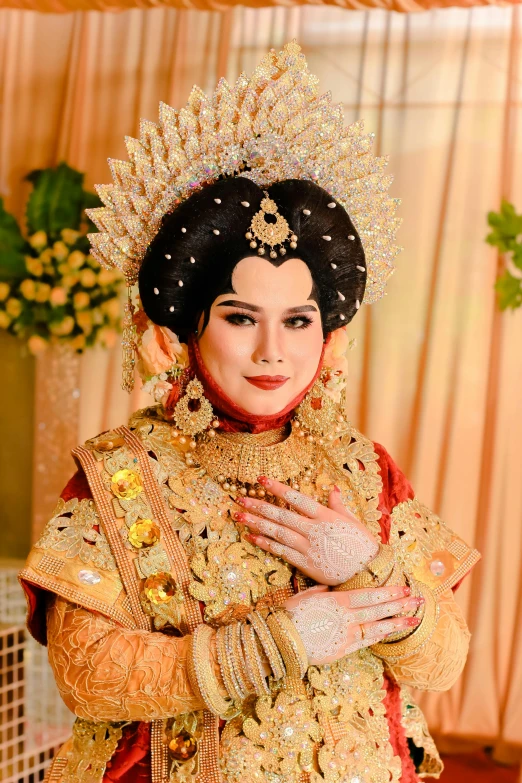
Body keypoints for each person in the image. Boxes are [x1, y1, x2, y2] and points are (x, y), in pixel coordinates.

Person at [20, 42, 480, 783]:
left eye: (298, 320)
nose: (273, 351)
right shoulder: (120, 474)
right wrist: (279, 641)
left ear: (327, 338)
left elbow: (445, 658)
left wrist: (369, 563)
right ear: (185, 330)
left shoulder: (365, 468)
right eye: (241, 317)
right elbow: (88, 672)